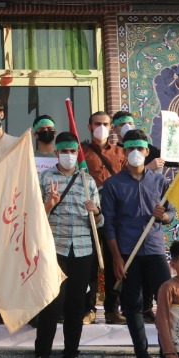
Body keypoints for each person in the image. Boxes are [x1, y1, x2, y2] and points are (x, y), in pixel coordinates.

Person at [102, 129, 175, 358]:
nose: (135, 153)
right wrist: (116, 257)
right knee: (132, 307)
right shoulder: (113, 185)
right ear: (123, 152)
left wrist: (163, 216)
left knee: (165, 303)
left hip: (154, 250)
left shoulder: (160, 182)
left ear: (147, 151)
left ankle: (167, 356)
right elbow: (109, 223)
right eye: (130, 148)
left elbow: (171, 214)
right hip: (127, 252)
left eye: (139, 148)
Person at [33, 132, 103, 358]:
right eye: (64, 151)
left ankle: (71, 356)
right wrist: (49, 203)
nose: (69, 156)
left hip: (83, 249)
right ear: (56, 153)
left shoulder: (87, 181)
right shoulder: (43, 178)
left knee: (76, 306)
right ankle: (41, 356)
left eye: (73, 152)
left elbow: (99, 221)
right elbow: (33, 219)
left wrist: (95, 211)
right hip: (54, 248)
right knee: (52, 304)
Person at [82, 110, 127, 326]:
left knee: (114, 262)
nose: (101, 127)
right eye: (97, 123)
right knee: (89, 262)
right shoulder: (81, 153)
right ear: (90, 126)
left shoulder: (121, 152)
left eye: (105, 124)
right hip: (88, 215)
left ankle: (112, 308)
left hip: (114, 215)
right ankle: (88, 308)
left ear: (111, 128)